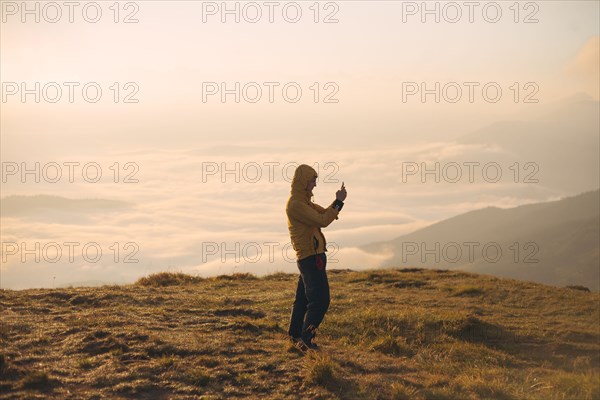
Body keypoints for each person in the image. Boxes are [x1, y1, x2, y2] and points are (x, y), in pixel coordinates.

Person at [286, 164, 347, 350]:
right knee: (320, 300)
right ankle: (306, 340)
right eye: (312, 180)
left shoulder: (303, 202)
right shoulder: (297, 205)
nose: (314, 184)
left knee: (303, 299)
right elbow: (323, 221)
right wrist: (338, 202)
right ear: (303, 181)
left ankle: (295, 336)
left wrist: (337, 203)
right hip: (311, 258)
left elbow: (322, 213)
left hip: (311, 257)